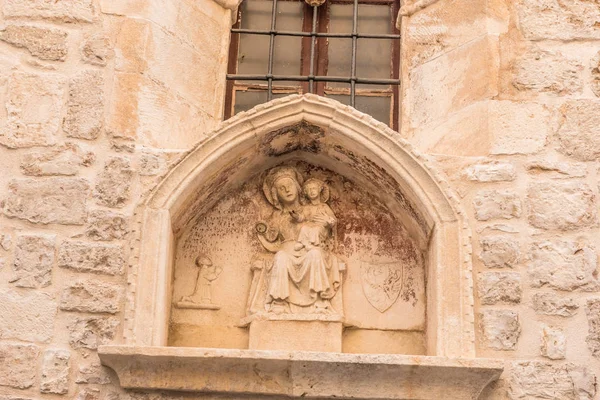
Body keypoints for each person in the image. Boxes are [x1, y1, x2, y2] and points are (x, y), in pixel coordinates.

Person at [254, 166, 341, 314]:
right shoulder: (276, 216)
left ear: (298, 188)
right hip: (287, 251)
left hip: (310, 248)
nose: (287, 190)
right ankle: (279, 302)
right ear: (276, 196)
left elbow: (326, 231)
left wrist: (328, 224)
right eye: (282, 188)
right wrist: (262, 231)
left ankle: (320, 302)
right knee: (281, 257)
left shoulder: (309, 209)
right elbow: (272, 240)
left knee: (315, 255)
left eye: (290, 185)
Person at [294, 178, 336, 251]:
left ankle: (312, 244)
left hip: (321, 228)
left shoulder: (324, 206)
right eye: (309, 190)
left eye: (314, 188)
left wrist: (328, 221)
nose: (311, 191)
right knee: (304, 228)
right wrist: (297, 217)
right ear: (305, 193)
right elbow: (303, 217)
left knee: (316, 229)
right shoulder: (307, 207)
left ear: (319, 190)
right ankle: (302, 243)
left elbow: (333, 220)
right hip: (309, 226)